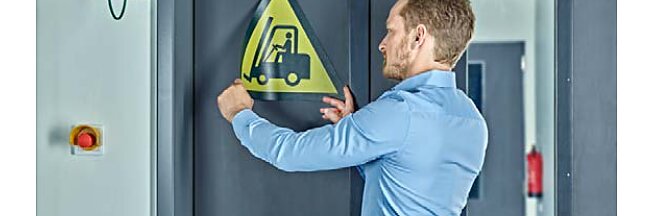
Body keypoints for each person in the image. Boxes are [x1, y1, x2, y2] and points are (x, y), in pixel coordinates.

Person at [217, 0, 487, 215]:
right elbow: (401, 176)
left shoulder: (401, 112)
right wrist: (356, 126)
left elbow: (289, 154)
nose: (382, 44)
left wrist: (240, 114)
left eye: (392, 31)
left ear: (418, 37)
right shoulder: (473, 121)